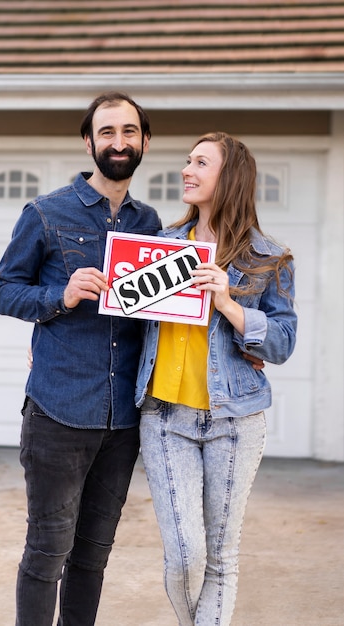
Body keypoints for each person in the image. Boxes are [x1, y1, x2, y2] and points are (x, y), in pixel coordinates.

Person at [0, 92, 162, 626]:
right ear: (88, 142)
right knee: (47, 553)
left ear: (144, 143)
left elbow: (167, 314)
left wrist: (240, 345)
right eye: (107, 132)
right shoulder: (45, 213)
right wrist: (58, 297)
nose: (118, 142)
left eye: (129, 132)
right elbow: (4, 291)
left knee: (93, 557)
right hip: (59, 414)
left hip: (123, 420)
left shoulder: (151, 224)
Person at [135, 131, 298, 626]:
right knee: (185, 556)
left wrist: (229, 304)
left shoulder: (268, 258)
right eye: (188, 160)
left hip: (236, 419)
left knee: (221, 559)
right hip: (164, 417)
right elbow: (118, 321)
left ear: (229, 178)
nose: (186, 170)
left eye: (200, 163)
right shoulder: (158, 247)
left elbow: (284, 343)